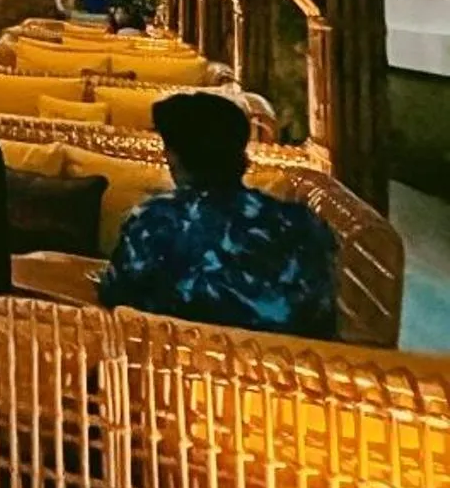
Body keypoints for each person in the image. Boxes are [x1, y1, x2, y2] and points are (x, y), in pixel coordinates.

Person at [99, 92, 338, 338]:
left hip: (172, 363)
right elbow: (322, 318)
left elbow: (118, 298)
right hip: (293, 367)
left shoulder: (157, 220)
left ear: (174, 157)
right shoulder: (300, 224)